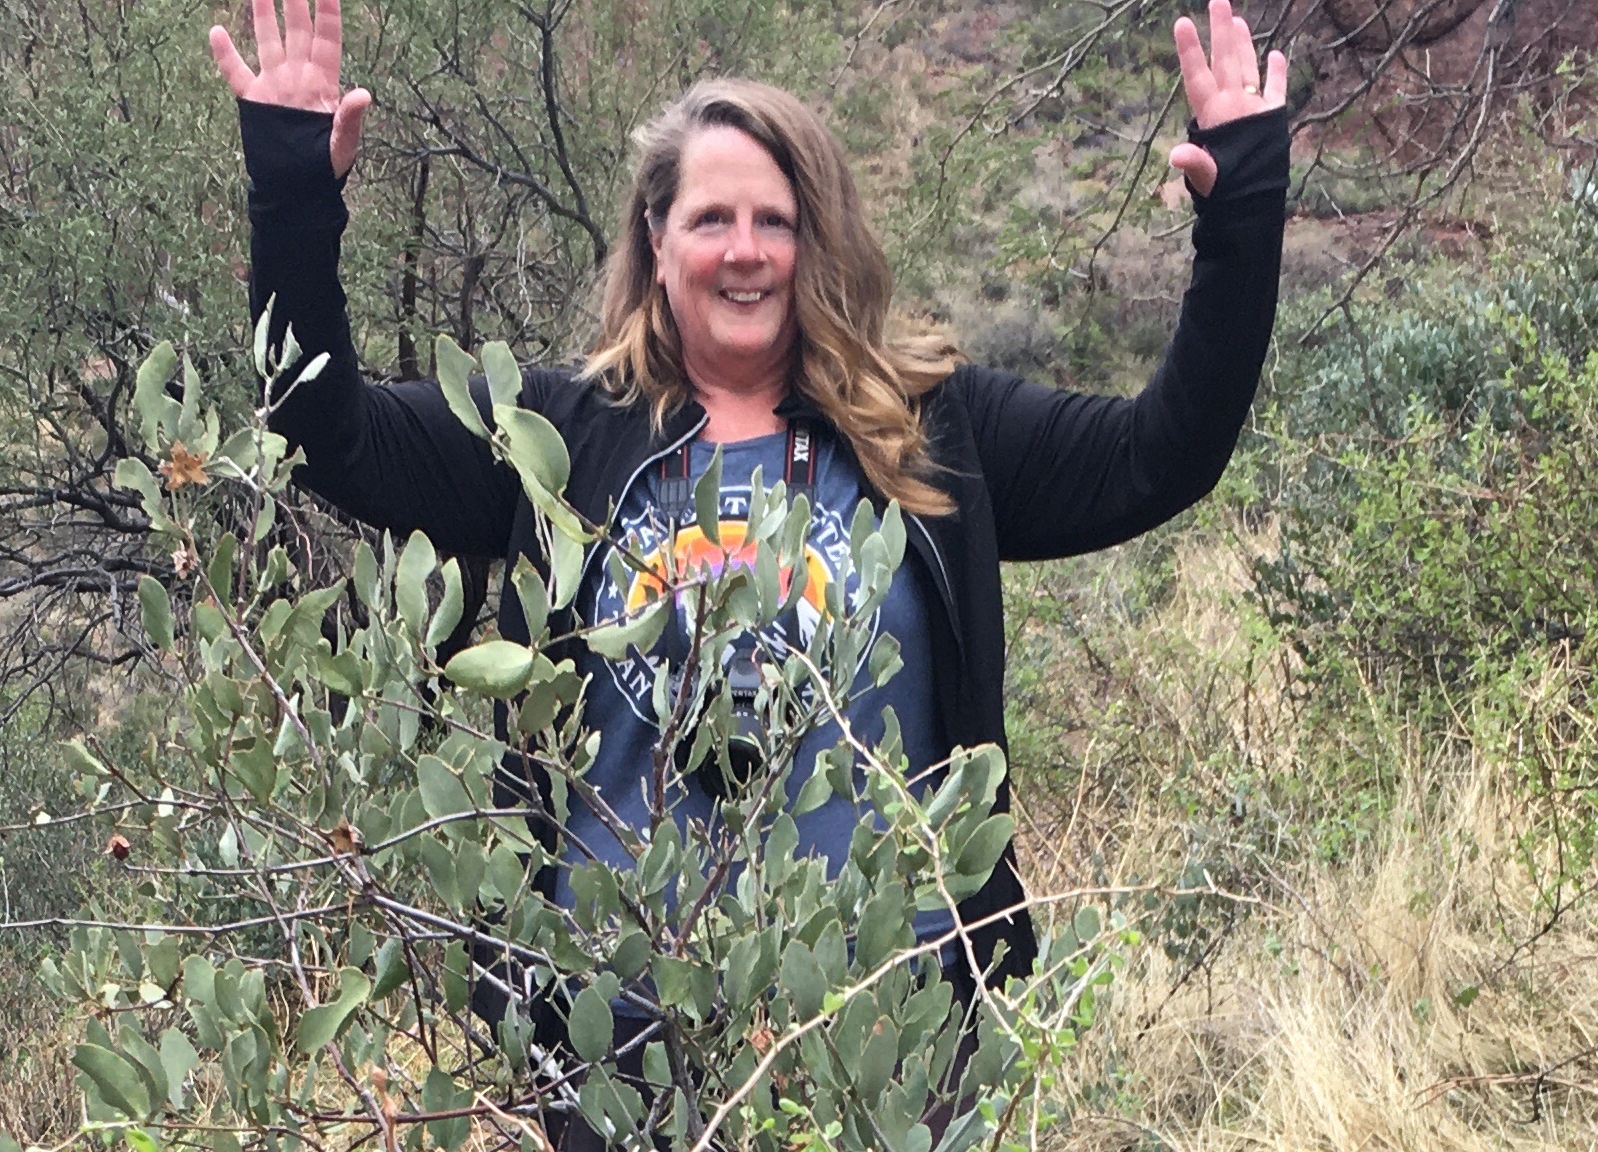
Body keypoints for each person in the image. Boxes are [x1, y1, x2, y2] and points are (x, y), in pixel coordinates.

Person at [212, 0, 1287, 1144]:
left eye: (775, 220)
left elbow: (1161, 456)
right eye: (712, 218)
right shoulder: (554, 433)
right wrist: (294, 187)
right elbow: (327, 432)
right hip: (617, 1048)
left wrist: (1242, 215)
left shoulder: (933, 430)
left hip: (889, 1039)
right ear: (656, 238)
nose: (744, 249)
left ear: (818, 241)